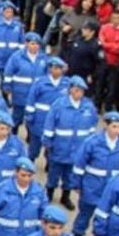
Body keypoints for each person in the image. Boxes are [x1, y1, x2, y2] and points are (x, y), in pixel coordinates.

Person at [71, 112, 119, 236]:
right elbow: (80, 164)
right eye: (114, 126)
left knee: (106, 216)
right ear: (106, 126)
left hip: (113, 189)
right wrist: (77, 183)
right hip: (92, 186)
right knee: (85, 214)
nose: (116, 130)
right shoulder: (92, 142)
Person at [42, 77, 98, 210]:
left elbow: (92, 128)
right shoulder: (59, 105)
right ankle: (49, 193)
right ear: (70, 90)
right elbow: (49, 125)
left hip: (77, 150)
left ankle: (65, 196)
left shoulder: (88, 107)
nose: (78, 93)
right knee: (54, 173)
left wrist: (90, 148)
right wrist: (48, 142)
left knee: (70, 176)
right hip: (59, 147)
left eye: (81, 91)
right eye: (76, 90)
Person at [24, 56, 69, 161]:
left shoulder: (67, 84)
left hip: (57, 122)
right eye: (54, 68)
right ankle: (30, 161)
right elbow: (31, 100)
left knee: (52, 145)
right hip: (40, 120)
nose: (56, 70)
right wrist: (30, 116)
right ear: (50, 69)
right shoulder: (40, 83)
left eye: (59, 68)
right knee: (34, 145)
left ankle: (48, 162)